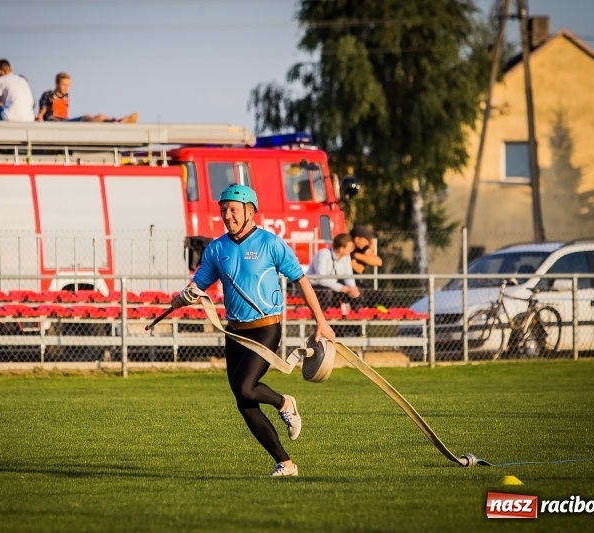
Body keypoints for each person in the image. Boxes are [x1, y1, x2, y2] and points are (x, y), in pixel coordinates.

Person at [171, 184, 335, 477]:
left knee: (247, 387)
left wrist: (321, 321)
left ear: (250, 211)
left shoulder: (271, 243)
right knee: (244, 401)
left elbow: (302, 280)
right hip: (235, 333)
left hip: (266, 329)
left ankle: (285, 402)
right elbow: (198, 286)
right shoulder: (216, 248)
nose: (227, 215)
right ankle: (285, 463)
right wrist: (183, 296)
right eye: (223, 209)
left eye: (233, 209)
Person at [36, 72, 138, 123]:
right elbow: (41, 113)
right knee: (86, 117)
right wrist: (40, 120)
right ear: (57, 83)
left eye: (68, 85)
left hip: (65, 122)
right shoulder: (48, 95)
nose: (67, 88)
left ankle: (116, 121)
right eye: (64, 85)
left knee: (99, 116)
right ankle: (116, 122)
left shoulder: (66, 95)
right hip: (55, 123)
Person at [306, 233, 361, 310]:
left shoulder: (346, 256)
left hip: (334, 287)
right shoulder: (323, 254)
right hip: (316, 287)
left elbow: (348, 276)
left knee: (358, 293)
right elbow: (321, 279)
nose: (351, 250)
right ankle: (324, 314)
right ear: (341, 249)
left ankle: (357, 314)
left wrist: (352, 288)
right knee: (327, 292)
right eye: (349, 247)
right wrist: (344, 288)